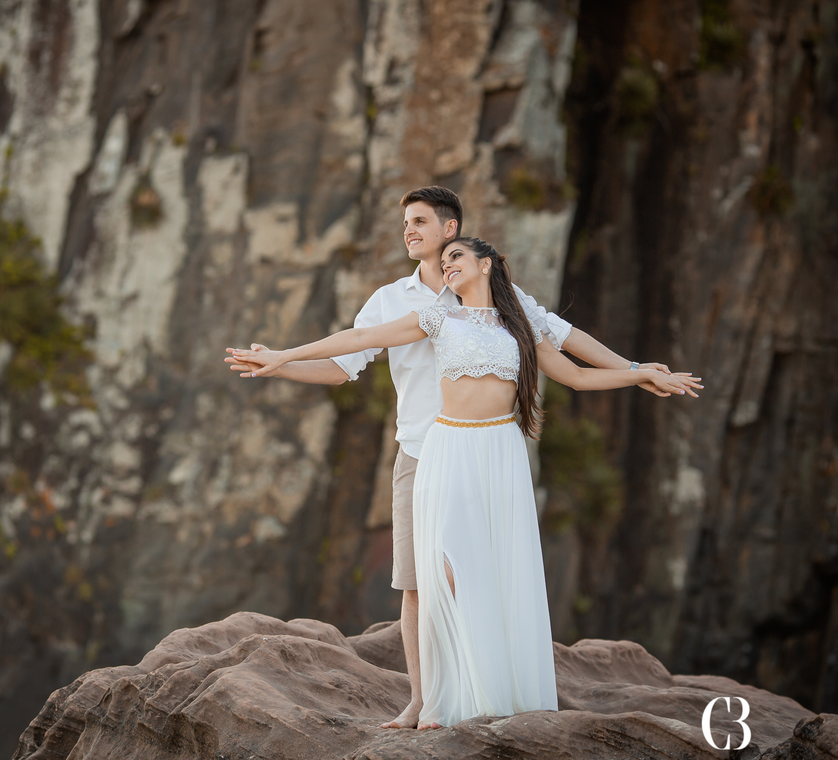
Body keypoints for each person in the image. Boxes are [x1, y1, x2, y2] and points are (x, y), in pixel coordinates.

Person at [225, 187, 701, 728]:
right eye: (406, 222)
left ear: (454, 233)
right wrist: (281, 360)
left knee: (489, 571)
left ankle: (485, 690)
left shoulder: (507, 305)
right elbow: (347, 356)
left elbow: (570, 348)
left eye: (421, 222)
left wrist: (640, 369)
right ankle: (423, 700)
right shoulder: (400, 303)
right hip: (423, 452)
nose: (409, 231)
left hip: (494, 450)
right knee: (418, 583)